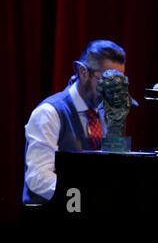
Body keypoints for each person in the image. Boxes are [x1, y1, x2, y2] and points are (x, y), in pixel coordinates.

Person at [23, 40, 126, 204]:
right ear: (83, 72)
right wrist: (86, 196)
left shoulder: (105, 112)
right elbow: (38, 178)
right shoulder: (49, 113)